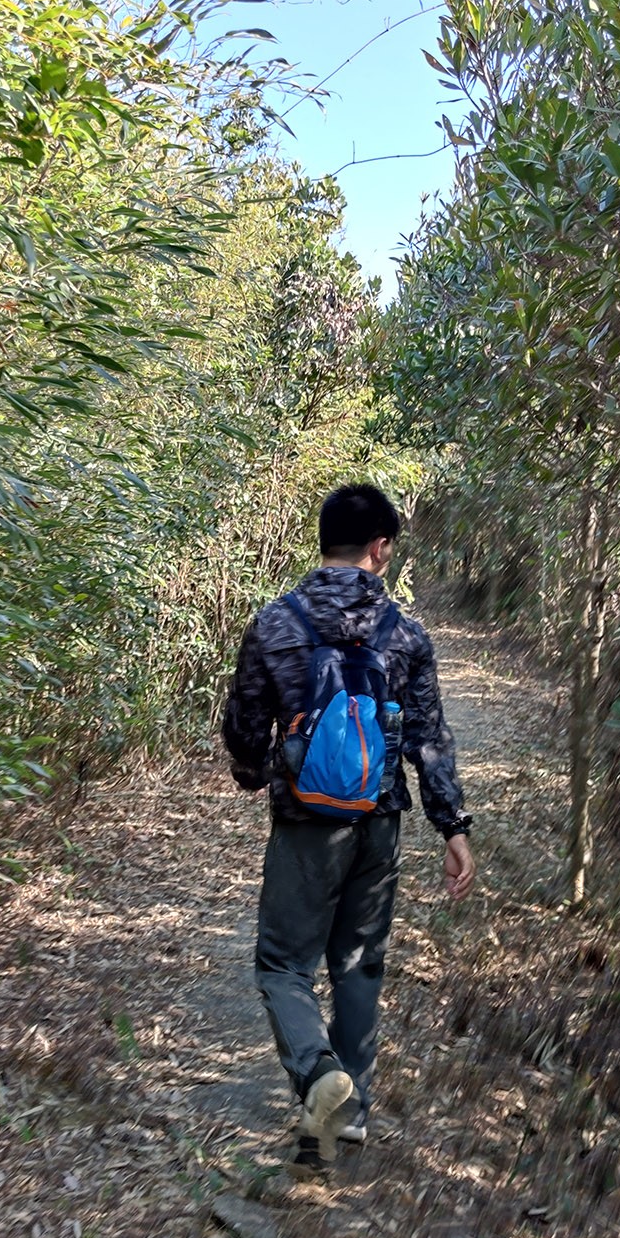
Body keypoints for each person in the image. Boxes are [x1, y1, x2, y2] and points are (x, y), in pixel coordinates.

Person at [220, 483, 475, 1181]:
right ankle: (350, 1109)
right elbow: (429, 738)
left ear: (323, 542)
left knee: (282, 964)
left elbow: (244, 725)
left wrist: (256, 771)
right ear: (380, 549)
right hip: (378, 822)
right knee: (359, 963)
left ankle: (318, 1074)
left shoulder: (277, 623)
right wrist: (451, 826)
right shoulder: (406, 634)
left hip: (306, 823)